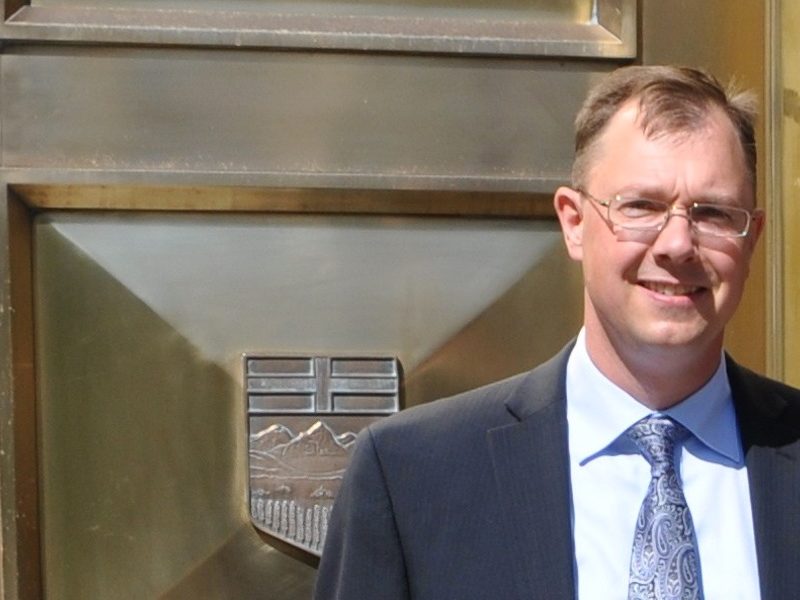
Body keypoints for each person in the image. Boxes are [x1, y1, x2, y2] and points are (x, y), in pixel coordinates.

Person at [313, 66, 800, 599]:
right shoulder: (412, 476)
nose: (677, 244)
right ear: (573, 222)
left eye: (711, 213)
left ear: (752, 238)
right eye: (641, 206)